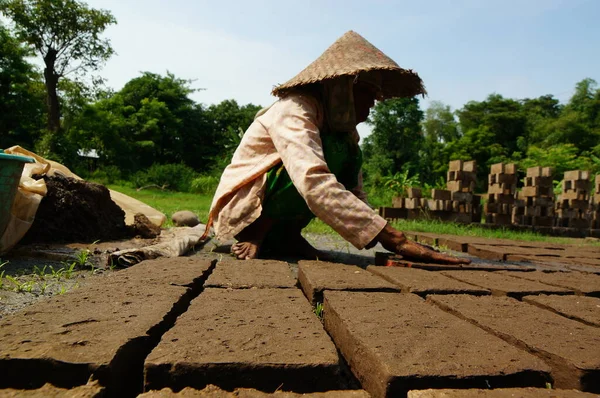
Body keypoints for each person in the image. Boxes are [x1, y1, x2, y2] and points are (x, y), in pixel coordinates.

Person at [206, 31, 470, 265]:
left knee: (342, 151)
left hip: (287, 205)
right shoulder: (294, 109)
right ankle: (257, 231)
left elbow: (354, 190)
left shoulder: (344, 134)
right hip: (248, 206)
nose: (371, 109)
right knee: (321, 159)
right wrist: (392, 238)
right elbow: (311, 180)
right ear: (344, 89)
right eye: (368, 97)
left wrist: (379, 230)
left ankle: (287, 236)